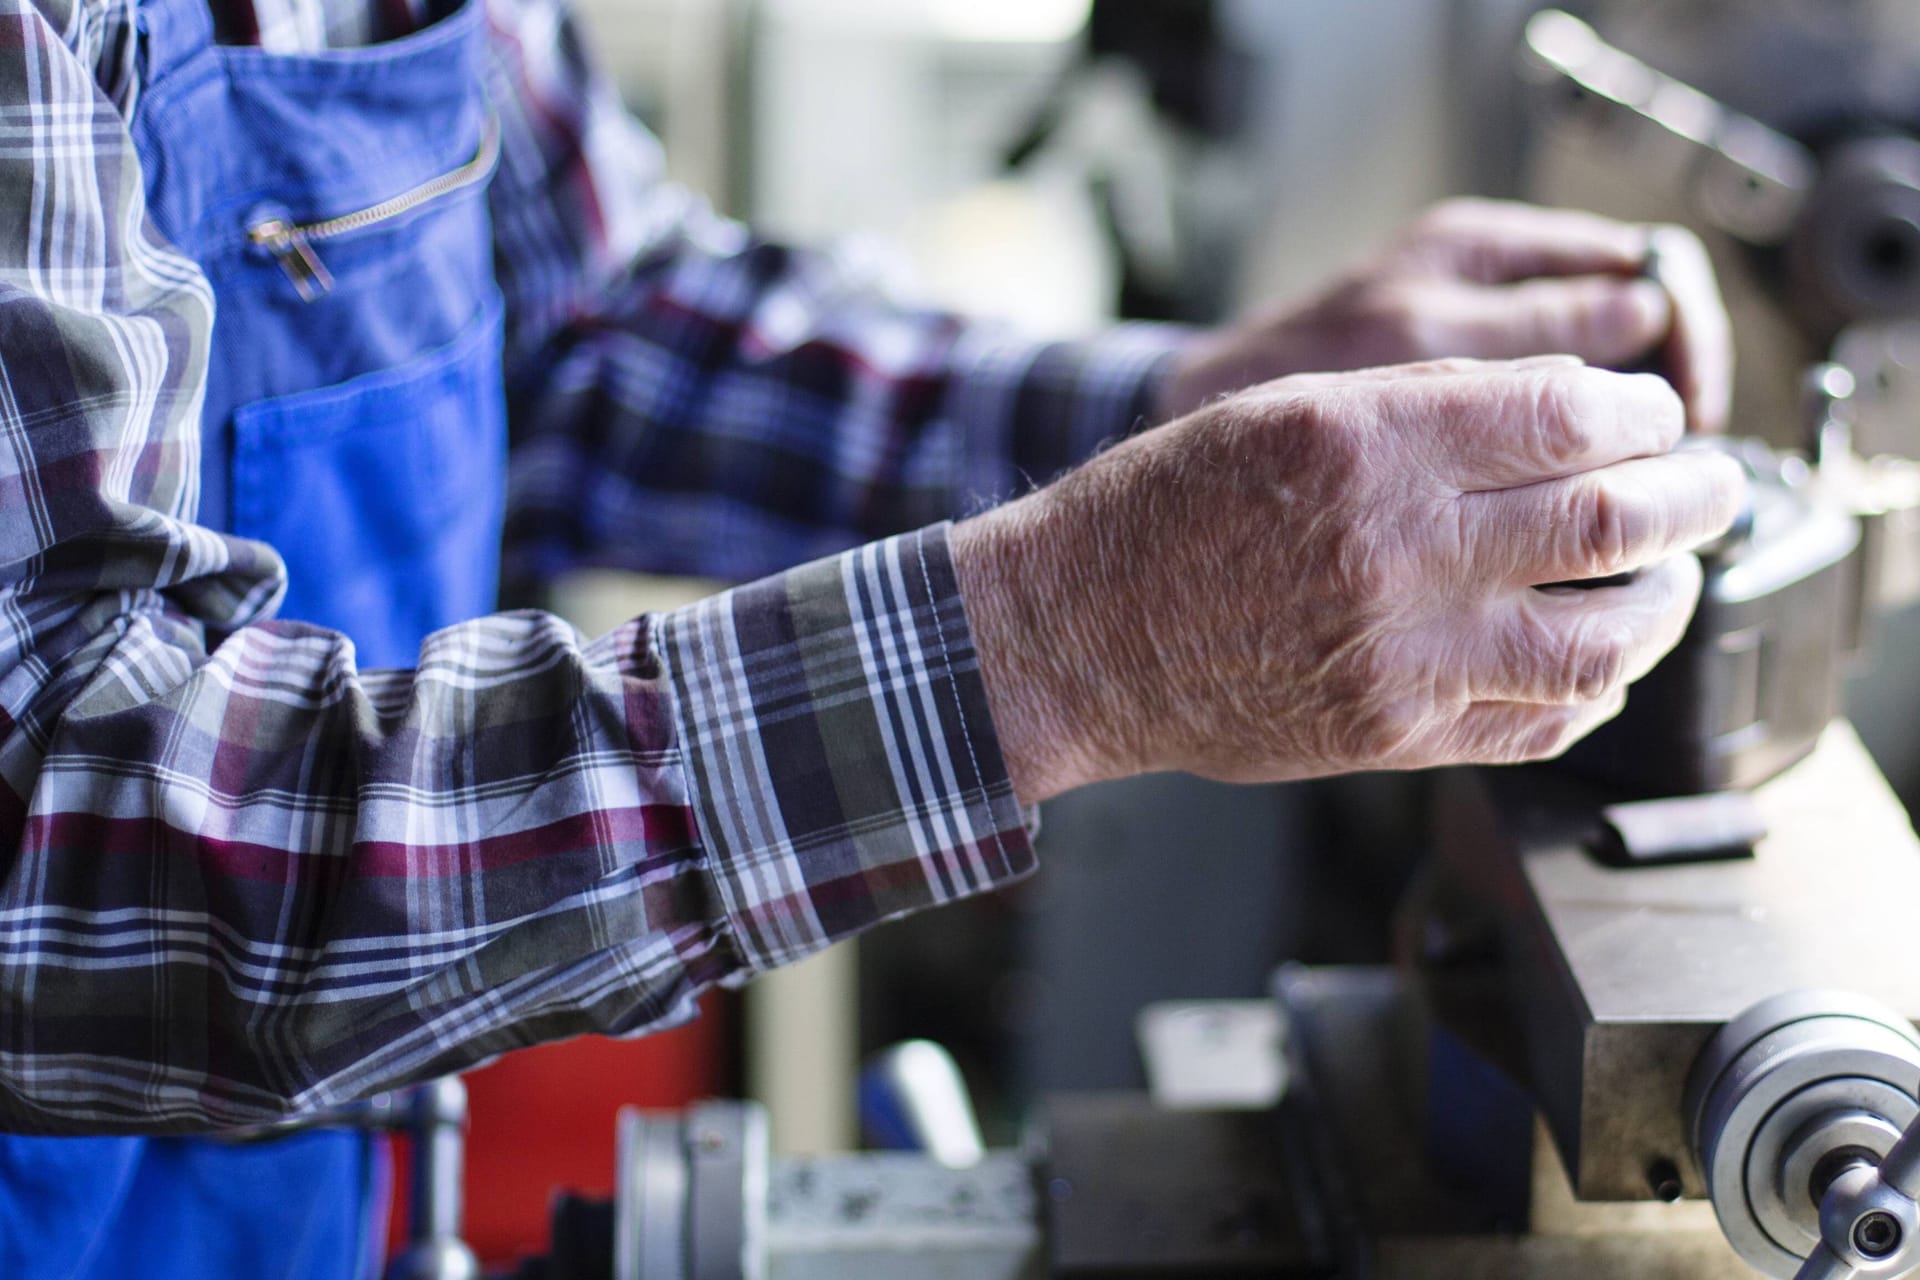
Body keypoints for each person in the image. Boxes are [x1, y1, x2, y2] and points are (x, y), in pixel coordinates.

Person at [0, 0, 1740, 1274]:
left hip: (333, 1202)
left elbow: (598, 333)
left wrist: (1179, 412)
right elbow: (63, 854)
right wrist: (1062, 644)